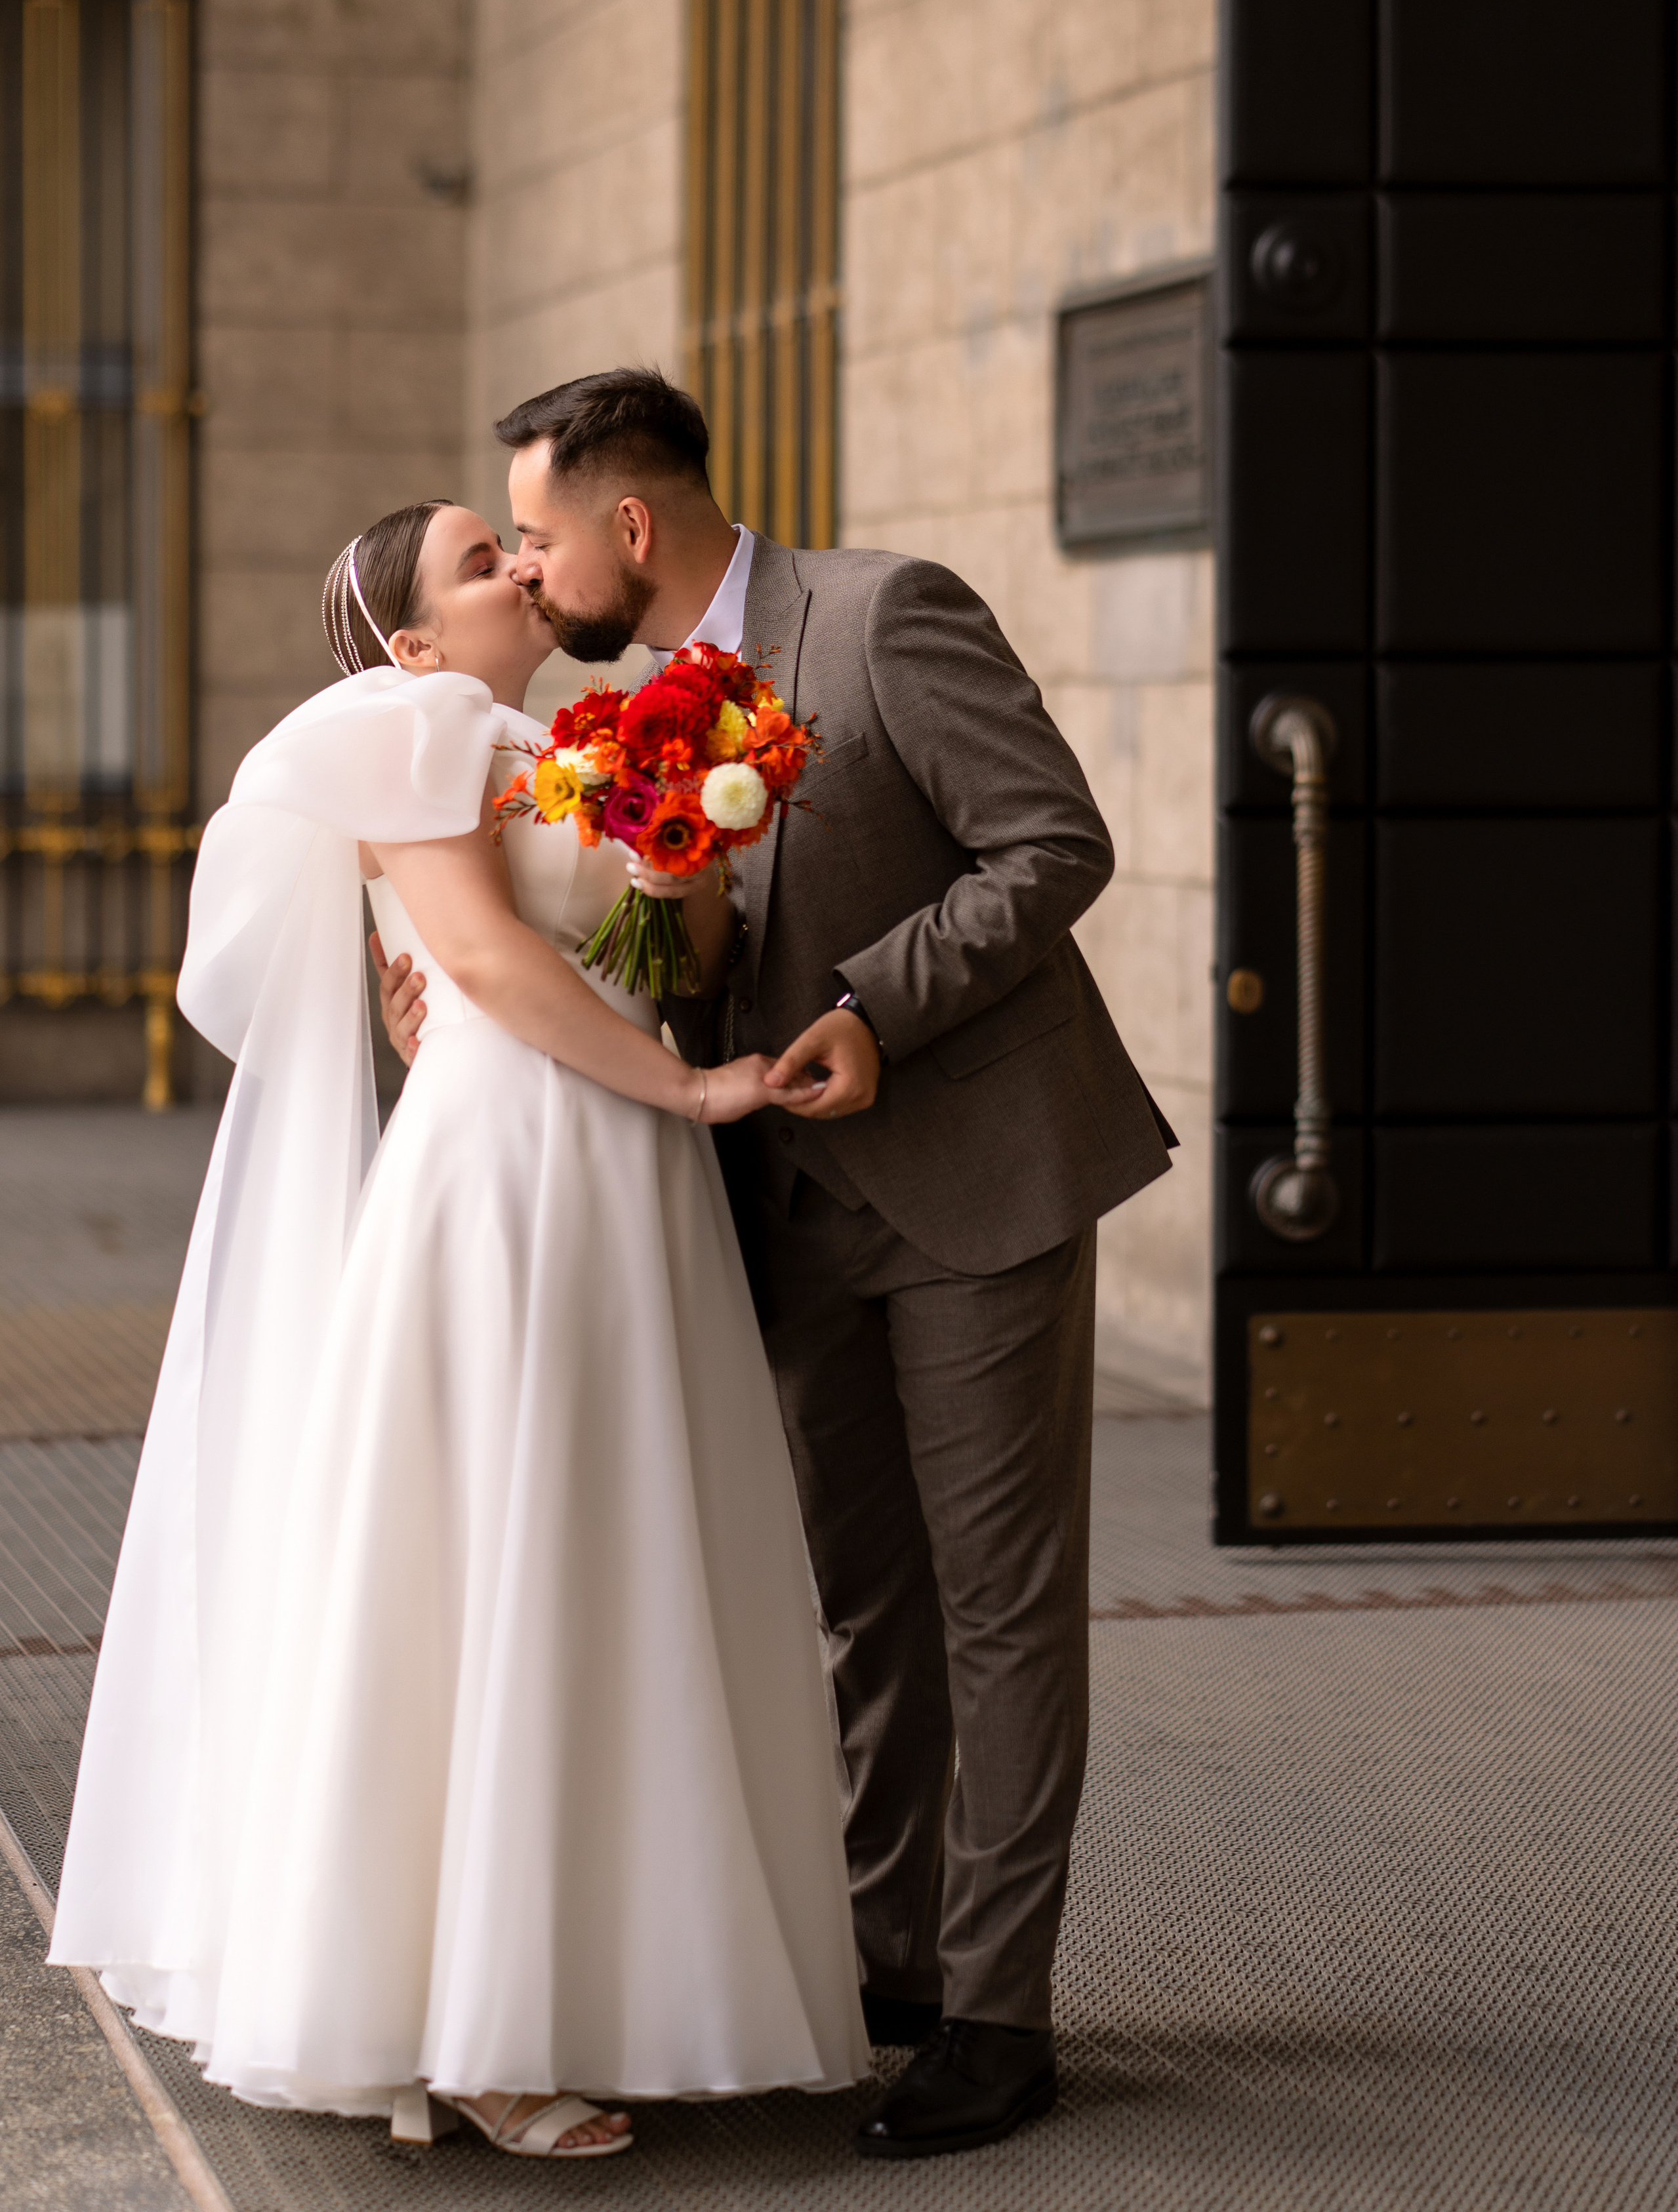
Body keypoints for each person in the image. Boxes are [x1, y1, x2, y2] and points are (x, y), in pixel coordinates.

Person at [379, 372, 1177, 2160]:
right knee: (864, 1607)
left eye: (538, 530)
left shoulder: (886, 617)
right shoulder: (605, 717)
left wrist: (868, 1007)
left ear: (629, 528)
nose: (527, 561)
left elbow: (1055, 844)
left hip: (974, 1178)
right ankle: (891, 1954)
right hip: (774, 1205)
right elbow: (636, 944)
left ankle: (997, 2012)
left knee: (999, 1606)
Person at [49, 498, 870, 2156]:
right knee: (501, 1548)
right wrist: (691, 1083)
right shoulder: (409, 725)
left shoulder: (559, 733)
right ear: (413, 638)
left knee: (617, 1553)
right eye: (472, 561)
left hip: (622, 1160)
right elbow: (486, 962)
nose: (513, 561)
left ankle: (592, 1980)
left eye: (507, 538)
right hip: (511, 1164)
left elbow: (680, 951)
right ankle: (471, 2025)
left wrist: (676, 836)